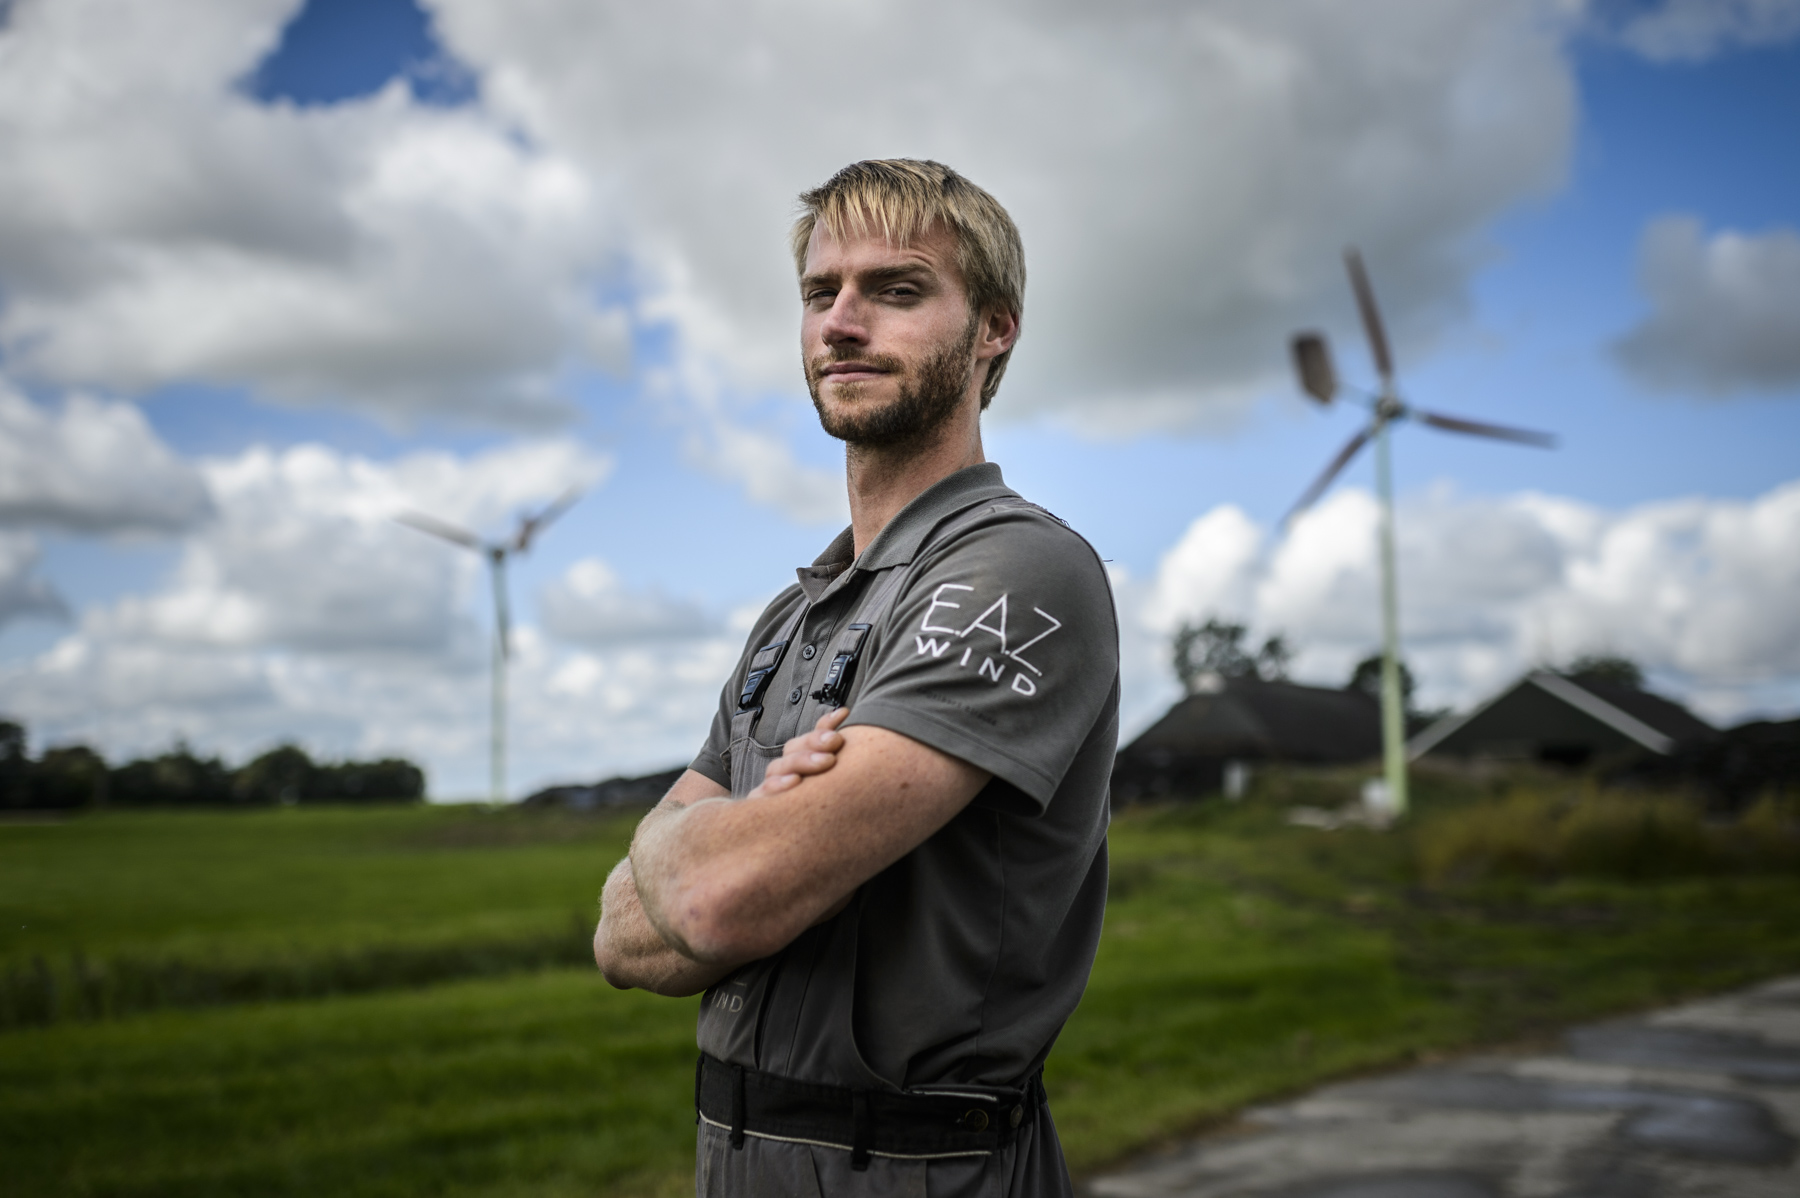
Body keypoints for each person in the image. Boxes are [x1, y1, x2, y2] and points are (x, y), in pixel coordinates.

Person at [594, 159, 1119, 1198]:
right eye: (820, 293)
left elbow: (712, 903)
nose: (841, 322)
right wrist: (721, 853)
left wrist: (665, 839)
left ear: (994, 330)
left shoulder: (1018, 571)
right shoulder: (793, 618)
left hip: (923, 1171)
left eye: (897, 289)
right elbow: (619, 939)